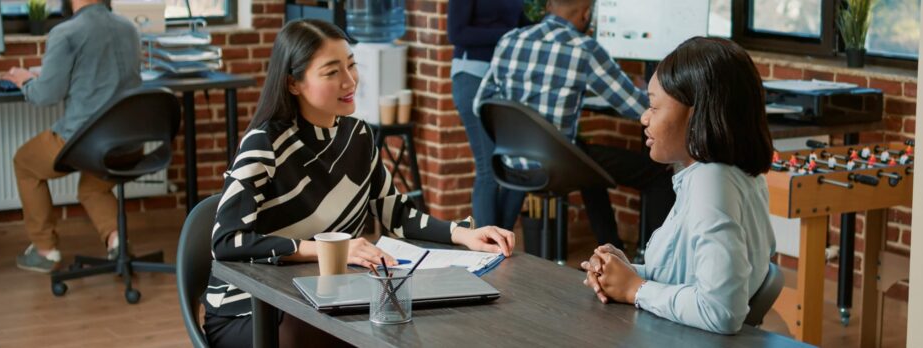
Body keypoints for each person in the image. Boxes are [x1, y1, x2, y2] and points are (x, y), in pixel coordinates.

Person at [201, 19, 517, 348]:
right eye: (331, 72)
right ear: (294, 83)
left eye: (351, 65)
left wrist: (464, 234)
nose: (349, 81)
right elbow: (227, 241)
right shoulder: (265, 143)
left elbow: (397, 213)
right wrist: (328, 249)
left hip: (325, 299)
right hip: (251, 311)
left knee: (412, 318)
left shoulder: (358, 136)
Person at [580, 37, 777, 335]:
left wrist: (636, 289)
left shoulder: (712, 182)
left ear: (696, 113)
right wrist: (625, 274)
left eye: (654, 107)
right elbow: (685, 277)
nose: (644, 118)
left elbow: (720, 309)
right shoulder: (723, 174)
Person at [474, 0, 674, 250]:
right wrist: (656, 95)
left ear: (548, 6)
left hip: (510, 163)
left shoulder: (510, 40)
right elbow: (636, 107)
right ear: (586, 14)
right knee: (659, 172)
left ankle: (612, 249)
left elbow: (480, 103)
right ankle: (652, 262)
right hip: (557, 166)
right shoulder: (584, 49)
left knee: (587, 161)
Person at [1, 0, 142, 272]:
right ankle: (117, 242)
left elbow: (46, 95)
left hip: (86, 142)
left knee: (25, 163)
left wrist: (24, 80)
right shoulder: (129, 28)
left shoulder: (67, 32)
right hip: (129, 141)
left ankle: (45, 250)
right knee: (93, 187)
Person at [447, 0, 530, 230]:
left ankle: (497, 243)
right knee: (489, 169)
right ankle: (488, 248)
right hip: (472, 76)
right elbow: (456, 33)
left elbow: (522, 24)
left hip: (503, 81)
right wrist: (510, 34)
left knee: (520, 168)